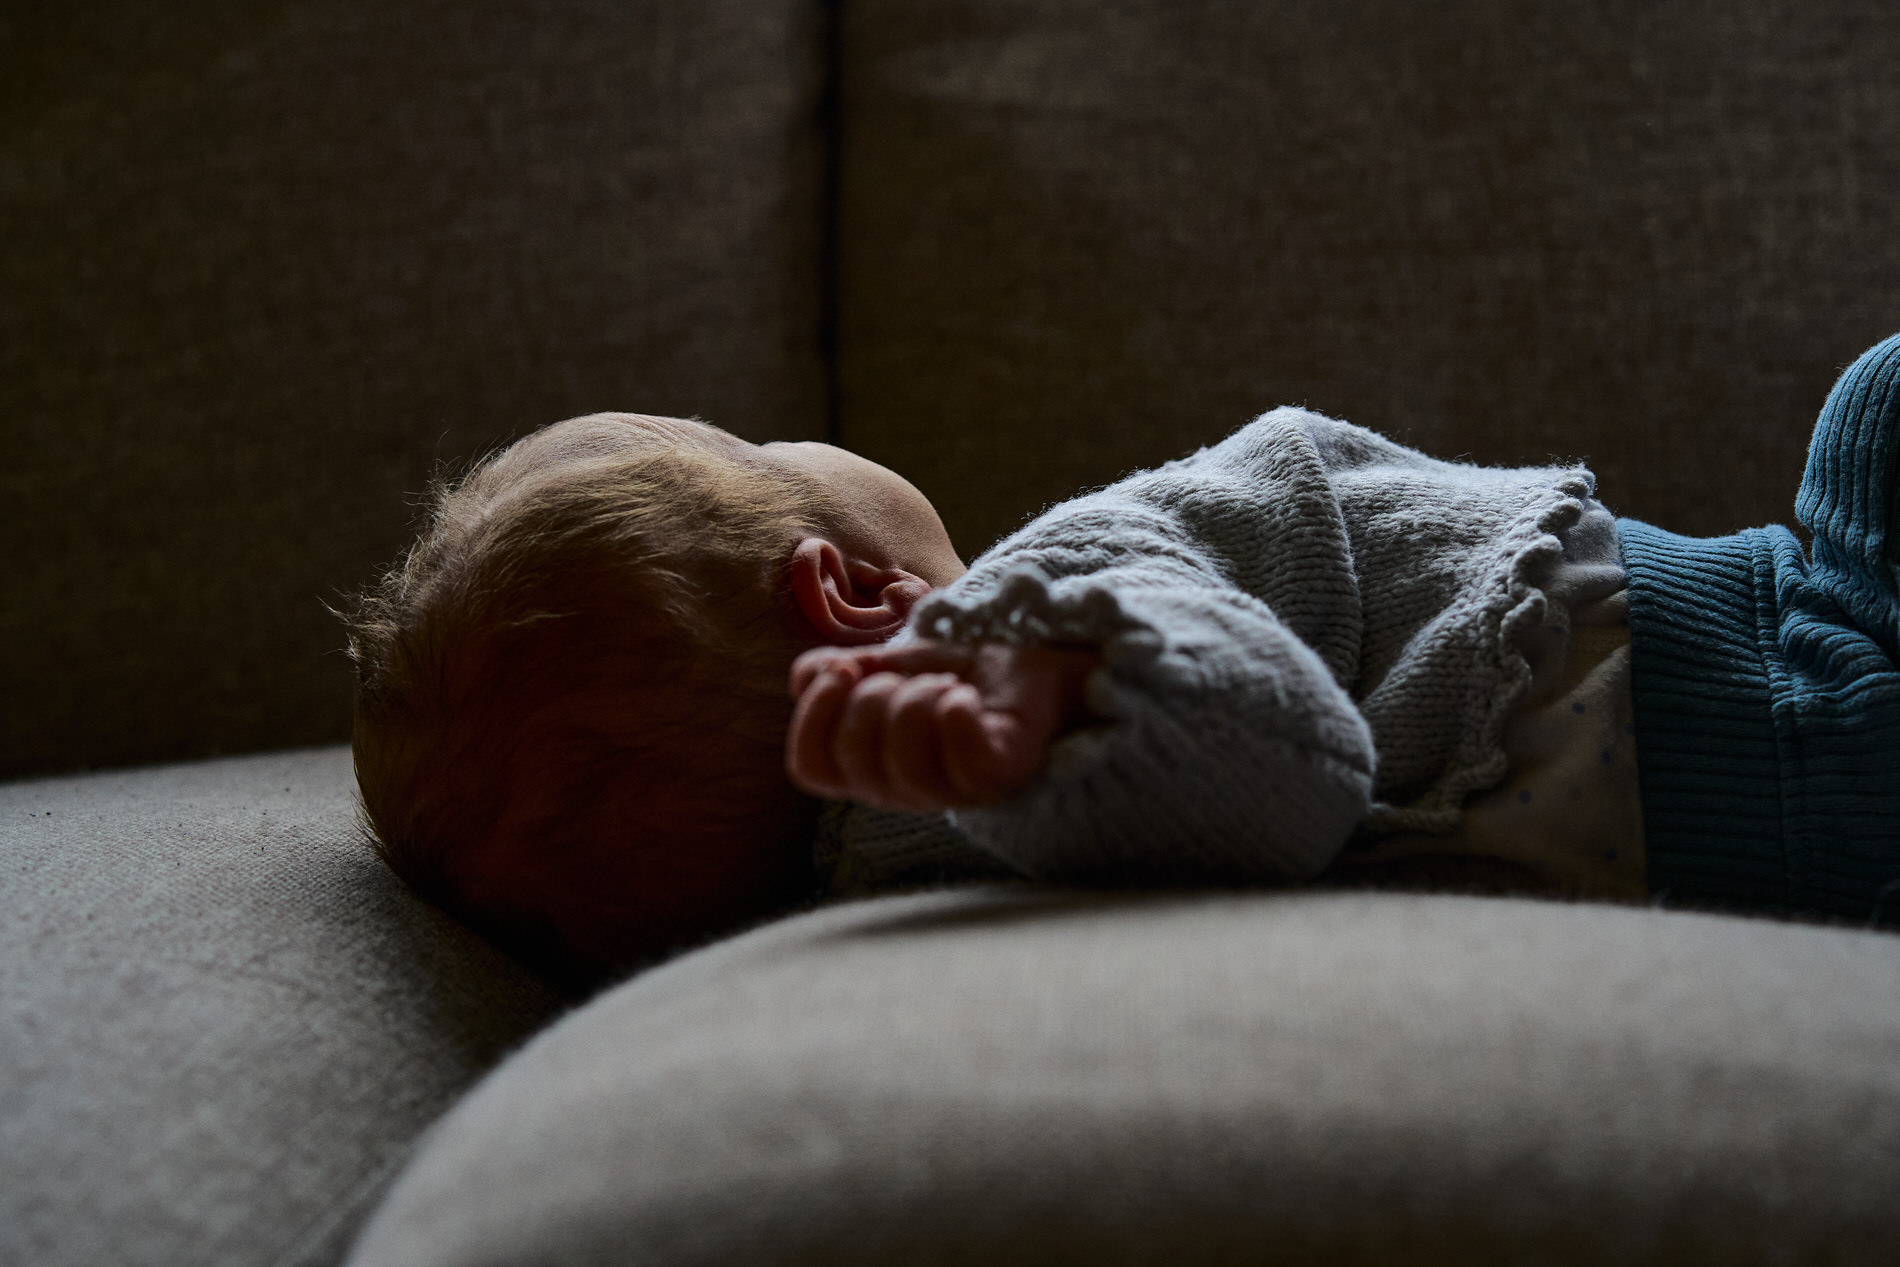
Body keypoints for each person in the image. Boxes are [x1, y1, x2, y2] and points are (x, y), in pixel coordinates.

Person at [345, 336, 1900, 983]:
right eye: (753, 440)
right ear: (846, 590)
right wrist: (1060, 696)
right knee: (1877, 410)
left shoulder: (905, 896)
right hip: (1780, 694)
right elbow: (1289, 765)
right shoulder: (1037, 620)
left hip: (1772, 785)